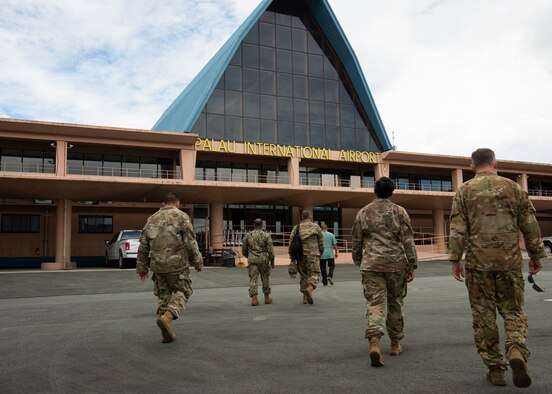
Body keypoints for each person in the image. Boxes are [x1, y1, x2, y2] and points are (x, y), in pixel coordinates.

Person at [448, 148, 546, 387]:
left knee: (484, 316)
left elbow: (458, 227)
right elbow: (529, 225)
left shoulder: (464, 190)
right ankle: (515, 348)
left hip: (478, 264)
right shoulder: (513, 188)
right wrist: (536, 255)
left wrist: (455, 259)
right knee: (513, 311)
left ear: (472, 167)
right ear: (495, 163)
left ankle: (495, 369)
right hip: (509, 261)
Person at [352, 177, 417, 367]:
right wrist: (412, 263)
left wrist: (358, 259)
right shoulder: (399, 211)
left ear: (375, 190)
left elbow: (356, 239)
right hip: (395, 264)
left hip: (372, 264)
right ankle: (395, 343)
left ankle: (374, 340)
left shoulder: (363, 212)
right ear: (392, 192)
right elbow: (408, 240)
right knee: (395, 302)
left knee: (375, 303)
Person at [136, 192, 203, 344]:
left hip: (157, 266)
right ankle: (168, 316)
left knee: (163, 296)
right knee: (184, 290)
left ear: (163, 203)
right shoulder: (181, 217)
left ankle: (166, 329)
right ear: (177, 203)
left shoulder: (151, 219)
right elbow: (190, 242)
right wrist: (197, 260)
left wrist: (142, 268)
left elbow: (143, 246)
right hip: (177, 265)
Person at [288, 210, 324, 304]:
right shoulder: (316, 227)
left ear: (301, 217)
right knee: (314, 274)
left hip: (300, 255)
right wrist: (321, 252)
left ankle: (305, 297)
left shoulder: (297, 227)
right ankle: (310, 288)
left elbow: (291, 242)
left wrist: (292, 257)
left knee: (303, 275)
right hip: (313, 254)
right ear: (310, 217)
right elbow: (321, 241)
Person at [241, 218, 275, 306]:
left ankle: (254, 299)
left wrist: (249, 256)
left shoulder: (248, 235)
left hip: (252, 260)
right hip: (263, 260)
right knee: (265, 278)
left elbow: (244, 249)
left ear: (254, 224)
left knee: (253, 279)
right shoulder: (266, 235)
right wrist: (272, 260)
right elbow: (270, 250)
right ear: (262, 225)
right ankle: (267, 298)